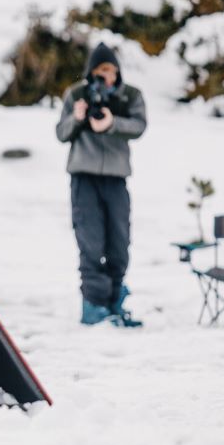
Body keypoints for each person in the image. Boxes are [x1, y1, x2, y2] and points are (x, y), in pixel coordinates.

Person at [56, 42, 146, 327]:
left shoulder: (130, 96)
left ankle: (115, 301)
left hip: (117, 179)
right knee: (90, 243)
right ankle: (94, 307)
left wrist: (112, 123)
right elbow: (61, 133)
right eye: (99, 71)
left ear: (117, 71)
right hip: (84, 178)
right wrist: (77, 117)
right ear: (90, 72)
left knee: (119, 243)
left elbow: (139, 126)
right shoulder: (76, 95)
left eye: (109, 70)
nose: (104, 76)